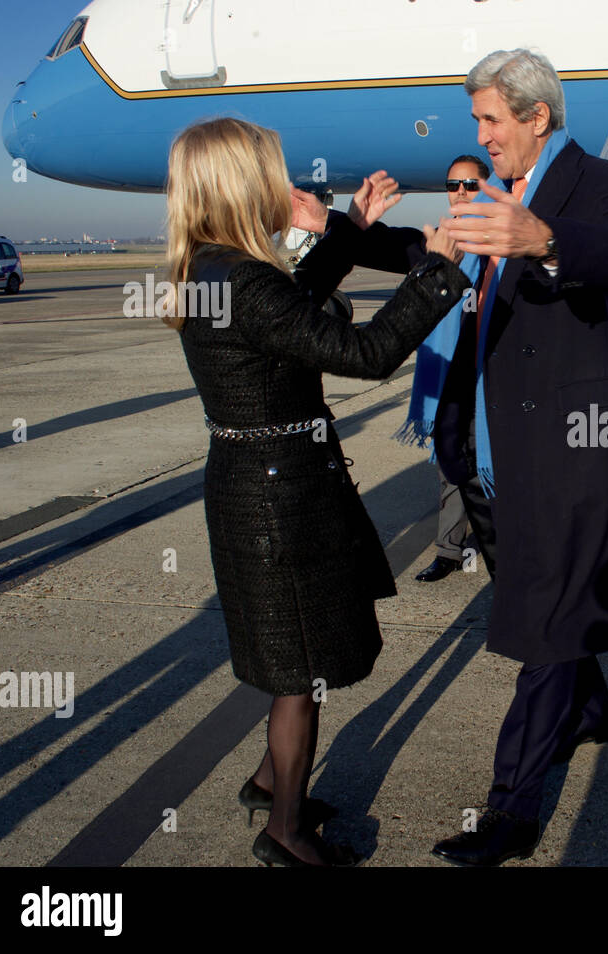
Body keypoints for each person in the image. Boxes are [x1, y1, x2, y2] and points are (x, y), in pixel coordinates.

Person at [164, 117, 466, 866]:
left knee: (293, 651)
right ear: (240, 182)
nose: (286, 183)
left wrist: (353, 227)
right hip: (281, 497)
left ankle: (271, 783)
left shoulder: (211, 268)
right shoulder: (240, 277)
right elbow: (363, 352)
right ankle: (287, 831)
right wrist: (438, 267)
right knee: (301, 671)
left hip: (254, 483)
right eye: (272, 171)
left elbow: (292, 310)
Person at [415, 48, 608, 866]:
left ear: (536, 116)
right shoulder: (484, 195)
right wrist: (346, 233)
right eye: (477, 120)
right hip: (482, 453)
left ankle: (509, 815)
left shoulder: (602, 184)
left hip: (566, 449)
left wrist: (542, 236)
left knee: (544, 623)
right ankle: (588, 709)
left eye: (489, 120)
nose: (480, 137)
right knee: (545, 597)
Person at [413, 155, 489, 583]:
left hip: (490, 380)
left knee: (490, 468)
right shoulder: (439, 243)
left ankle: (504, 548)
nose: (460, 191)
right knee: (450, 466)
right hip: (451, 380)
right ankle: (449, 550)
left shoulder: (501, 244)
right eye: (453, 184)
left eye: (470, 185)